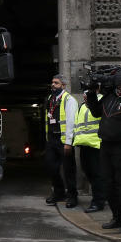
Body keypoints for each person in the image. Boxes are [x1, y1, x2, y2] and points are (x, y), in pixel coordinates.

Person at [84, 69, 121, 232]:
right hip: (106, 144)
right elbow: (97, 112)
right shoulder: (109, 96)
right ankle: (118, 218)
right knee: (108, 183)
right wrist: (91, 93)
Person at [43, 74, 79, 208]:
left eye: (56, 83)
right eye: (52, 82)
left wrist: (68, 142)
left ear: (63, 86)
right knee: (51, 167)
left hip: (64, 141)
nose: (53, 85)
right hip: (52, 139)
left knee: (69, 170)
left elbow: (71, 122)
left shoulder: (69, 100)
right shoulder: (50, 99)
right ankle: (59, 193)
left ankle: (72, 196)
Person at [73, 92, 106, 213]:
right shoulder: (82, 105)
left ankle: (98, 202)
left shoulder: (101, 101)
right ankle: (102, 196)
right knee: (88, 173)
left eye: (88, 92)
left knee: (97, 174)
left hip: (96, 145)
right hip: (84, 144)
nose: (85, 94)